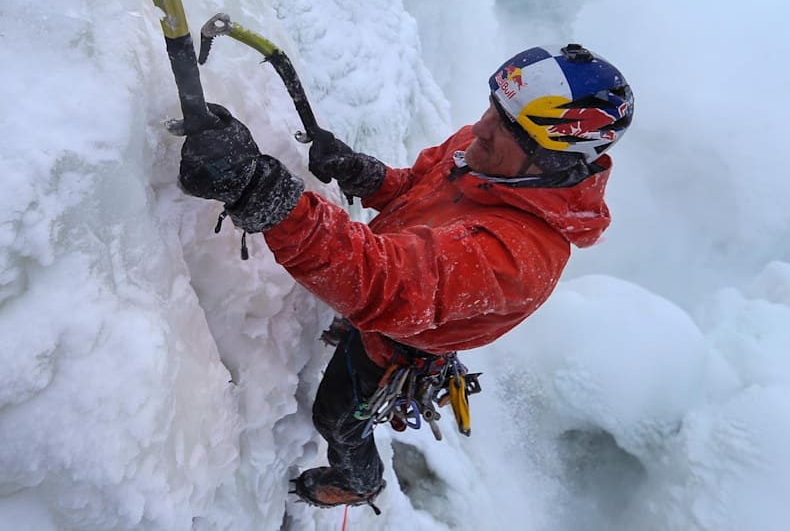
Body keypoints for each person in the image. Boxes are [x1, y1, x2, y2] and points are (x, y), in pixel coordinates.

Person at [178, 43, 634, 513]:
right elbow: (415, 189)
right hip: (401, 294)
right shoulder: (483, 154)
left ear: (552, 160)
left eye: (506, 128)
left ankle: (360, 483)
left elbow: (385, 283)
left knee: (336, 421)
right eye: (494, 109)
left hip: (401, 340)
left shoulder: (519, 258)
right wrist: (364, 174)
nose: (479, 128)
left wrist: (264, 193)